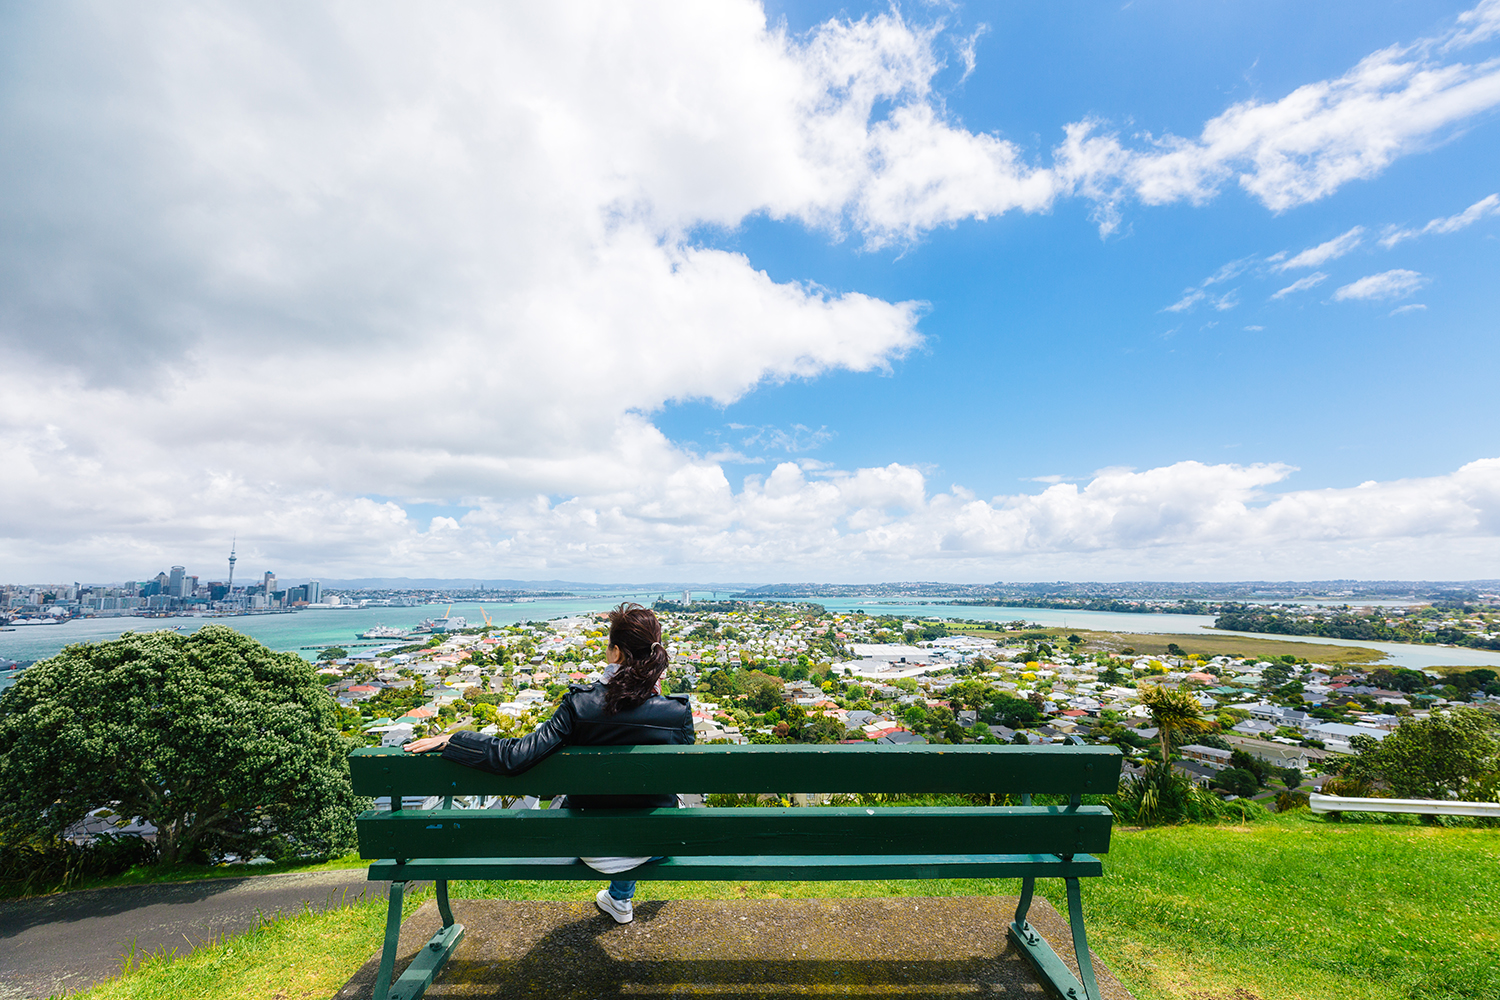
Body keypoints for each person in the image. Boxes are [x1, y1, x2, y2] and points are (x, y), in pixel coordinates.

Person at [403, 603, 692, 924]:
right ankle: (620, 898)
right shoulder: (676, 713)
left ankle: (619, 900)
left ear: (614, 653)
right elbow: (681, 773)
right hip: (654, 842)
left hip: (591, 844)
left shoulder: (580, 704)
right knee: (653, 805)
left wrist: (455, 740)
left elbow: (515, 758)